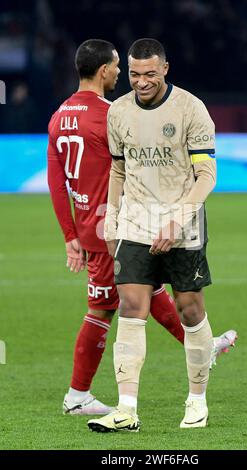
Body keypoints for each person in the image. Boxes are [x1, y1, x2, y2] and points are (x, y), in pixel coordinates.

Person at [47, 39, 237, 417]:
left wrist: (71, 234)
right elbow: (123, 168)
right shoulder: (111, 113)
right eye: (122, 68)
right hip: (117, 224)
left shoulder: (58, 116)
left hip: (95, 223)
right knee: (108, 307)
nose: (125, 75)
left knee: (143, 296)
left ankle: (198, 349)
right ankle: (80, 395)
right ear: (106, 70)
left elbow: (58, 182)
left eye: (143, 71)